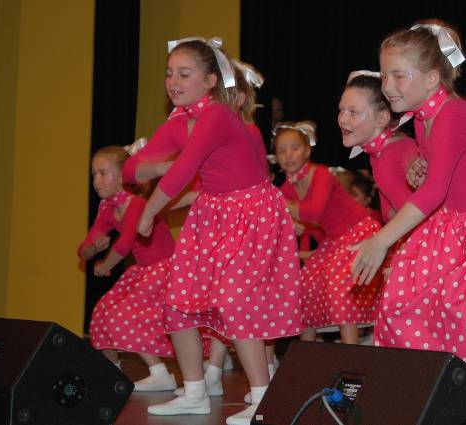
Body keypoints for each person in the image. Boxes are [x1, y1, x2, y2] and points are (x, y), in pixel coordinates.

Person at [351, 20, 466, 418]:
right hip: (454, 228)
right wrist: (421, 164)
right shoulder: (422, 118)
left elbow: (434, 191)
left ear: (433, 78)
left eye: (399, 75)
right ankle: (438, 408)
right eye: (384, 75)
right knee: (405, 306)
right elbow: (442, 172)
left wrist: (382, 239)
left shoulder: (454, 115)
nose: (387, 85)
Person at [122, 38, 302, 424]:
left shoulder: (218, 115)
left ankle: (262, 397)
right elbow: (131, 169)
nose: (173, 81)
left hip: (250, 212)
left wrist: (149, 212)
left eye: (184, 74)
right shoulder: (178, 122)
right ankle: (194, 393)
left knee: (237, 301)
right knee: (178, 302)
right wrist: (162, 165)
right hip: (212, 214)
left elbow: (185, 172)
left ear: (208, 82)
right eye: (169, 73)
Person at [77, 145, 177, 392]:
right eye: (94, 174)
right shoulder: (108, 207)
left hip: (165, 268)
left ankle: (161, 374)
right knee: (101, 314)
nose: (96, 180)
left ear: (123, 176)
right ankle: (112, 372)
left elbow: (124, 244)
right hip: (144, 270)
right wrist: (94, 248)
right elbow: (84, 249)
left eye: (103, 173)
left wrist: (104, 266)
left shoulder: (137, 203)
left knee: (124, 315)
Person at [274, 120, 382, 344]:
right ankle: (307, 356)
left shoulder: (320, 174)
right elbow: (311, 228)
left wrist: (282, 205)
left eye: (294, 148)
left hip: (359, 232)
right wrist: (291, 219)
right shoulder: (286, 189)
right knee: (306, 287)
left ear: (307, 151)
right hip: (334, 241)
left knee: (338, 286)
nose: (288, 155)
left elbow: (313, 213)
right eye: (281, 150)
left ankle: (352, 354)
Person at [339, 71, 418, 223]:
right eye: (341, 110)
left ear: (381, 118)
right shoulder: (391, 148)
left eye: (353, 112)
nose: (342, 119)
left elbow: (413, 221)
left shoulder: (388, 158)